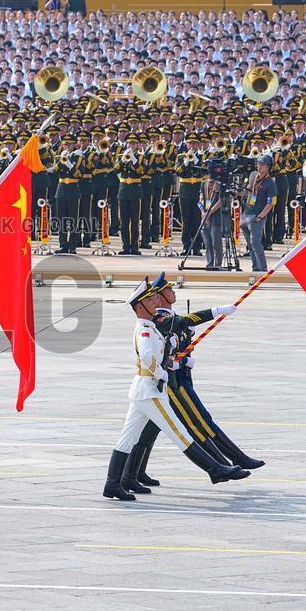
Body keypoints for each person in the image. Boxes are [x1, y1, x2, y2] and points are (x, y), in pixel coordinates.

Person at [102, 276, 250, 501]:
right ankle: (215, 470)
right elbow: (147, 357)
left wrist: (172, 360)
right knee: (178, 432)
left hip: (143, 391)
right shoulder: (144, 330)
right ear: (139, 306)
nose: (154, 302)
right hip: (150, 391)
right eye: (149, 300)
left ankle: (113, 484)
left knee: (128, 438)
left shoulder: (151, 328)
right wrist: (161, 372)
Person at [240, 154, 277, 272]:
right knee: (250, 245)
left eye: (262, 164)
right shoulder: (253, 176)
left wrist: (261, 216)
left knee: (256, 243)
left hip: (257, 216)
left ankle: (262, 268)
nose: (259, 166)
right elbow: (248, 189)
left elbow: (271, 202)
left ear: (268, 167)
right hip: (246, 213)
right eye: (258, 163)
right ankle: (255, 267)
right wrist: (238, 193)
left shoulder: (270, 183)